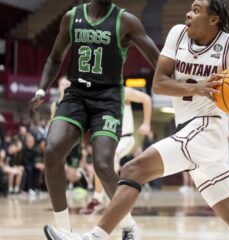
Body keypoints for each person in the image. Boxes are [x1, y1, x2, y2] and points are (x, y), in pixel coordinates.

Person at [44, 1, 229, 240]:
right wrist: (196, 88)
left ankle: (93, 237)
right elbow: (159, 83)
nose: (188, 13)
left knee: (133, 168)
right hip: (188, 131)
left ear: (214, 20)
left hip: (208, 128)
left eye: (197, 9)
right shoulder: (177, 35)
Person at [29, 0, 159, 239]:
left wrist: (182, 85)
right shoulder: (71, 17)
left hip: (108, 99)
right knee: (52, 151)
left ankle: (129, 226)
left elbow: (157, 60)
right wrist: (40, 90)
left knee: (102, 165)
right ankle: (65, 230)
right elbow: (55, 58)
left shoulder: (126, 20)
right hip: (76, 94)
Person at [80, 87, 152, 214]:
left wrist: (146, 124)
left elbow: (146, 99)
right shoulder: (100, 94)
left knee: (109, 158)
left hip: (126, 138)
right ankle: (99, 198)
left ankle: (112, 199)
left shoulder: (123, 91)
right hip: (110, 138)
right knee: (99, 159)